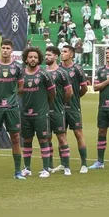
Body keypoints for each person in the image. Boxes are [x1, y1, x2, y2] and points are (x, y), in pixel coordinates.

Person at [0, 39, 25, 179]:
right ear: (0, 49)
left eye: (8, 48)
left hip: (12, 107)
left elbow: (21, 87)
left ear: (12, 50)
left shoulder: (18, 67)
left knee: (15, 138)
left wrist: (11, 98)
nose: (5, 50)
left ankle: (17, 171)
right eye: (3, 48)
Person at [19, 47, 56, 178]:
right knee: (27, 140)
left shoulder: (44, 74)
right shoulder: (21, 74)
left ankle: (46, 169)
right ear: (26, 59)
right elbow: (18, 91)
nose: (33, 59)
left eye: (35, 57)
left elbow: (52, 93)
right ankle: (27, 168)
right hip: (25, 114)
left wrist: (44, 106)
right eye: (30, 57)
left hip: (40, 114)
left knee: (43, 140)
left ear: (39, 59)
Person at [59, 45, 89, 174]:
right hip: (60, 107)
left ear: (71, 54)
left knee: (78, 134)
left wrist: (75, 98)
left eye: (65, 52)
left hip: (73, 107)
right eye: (61, 51)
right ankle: (63, 163)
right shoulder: (58, 69)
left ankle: (84, 164)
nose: (62, 54)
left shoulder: (77, 69)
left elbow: (84, 89)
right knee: (61, 136)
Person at [44, 46, 73, 176]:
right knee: (46, 137)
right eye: (46, 55)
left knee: (61, 137)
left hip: (57, 109)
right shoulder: (42, 72)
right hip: (43, 110)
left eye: (50, 55)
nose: (47, 57)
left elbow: (69, 92)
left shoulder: (62, 73)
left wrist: (62, 103)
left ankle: (66, 166)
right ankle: (48, 166)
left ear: (56, 56)